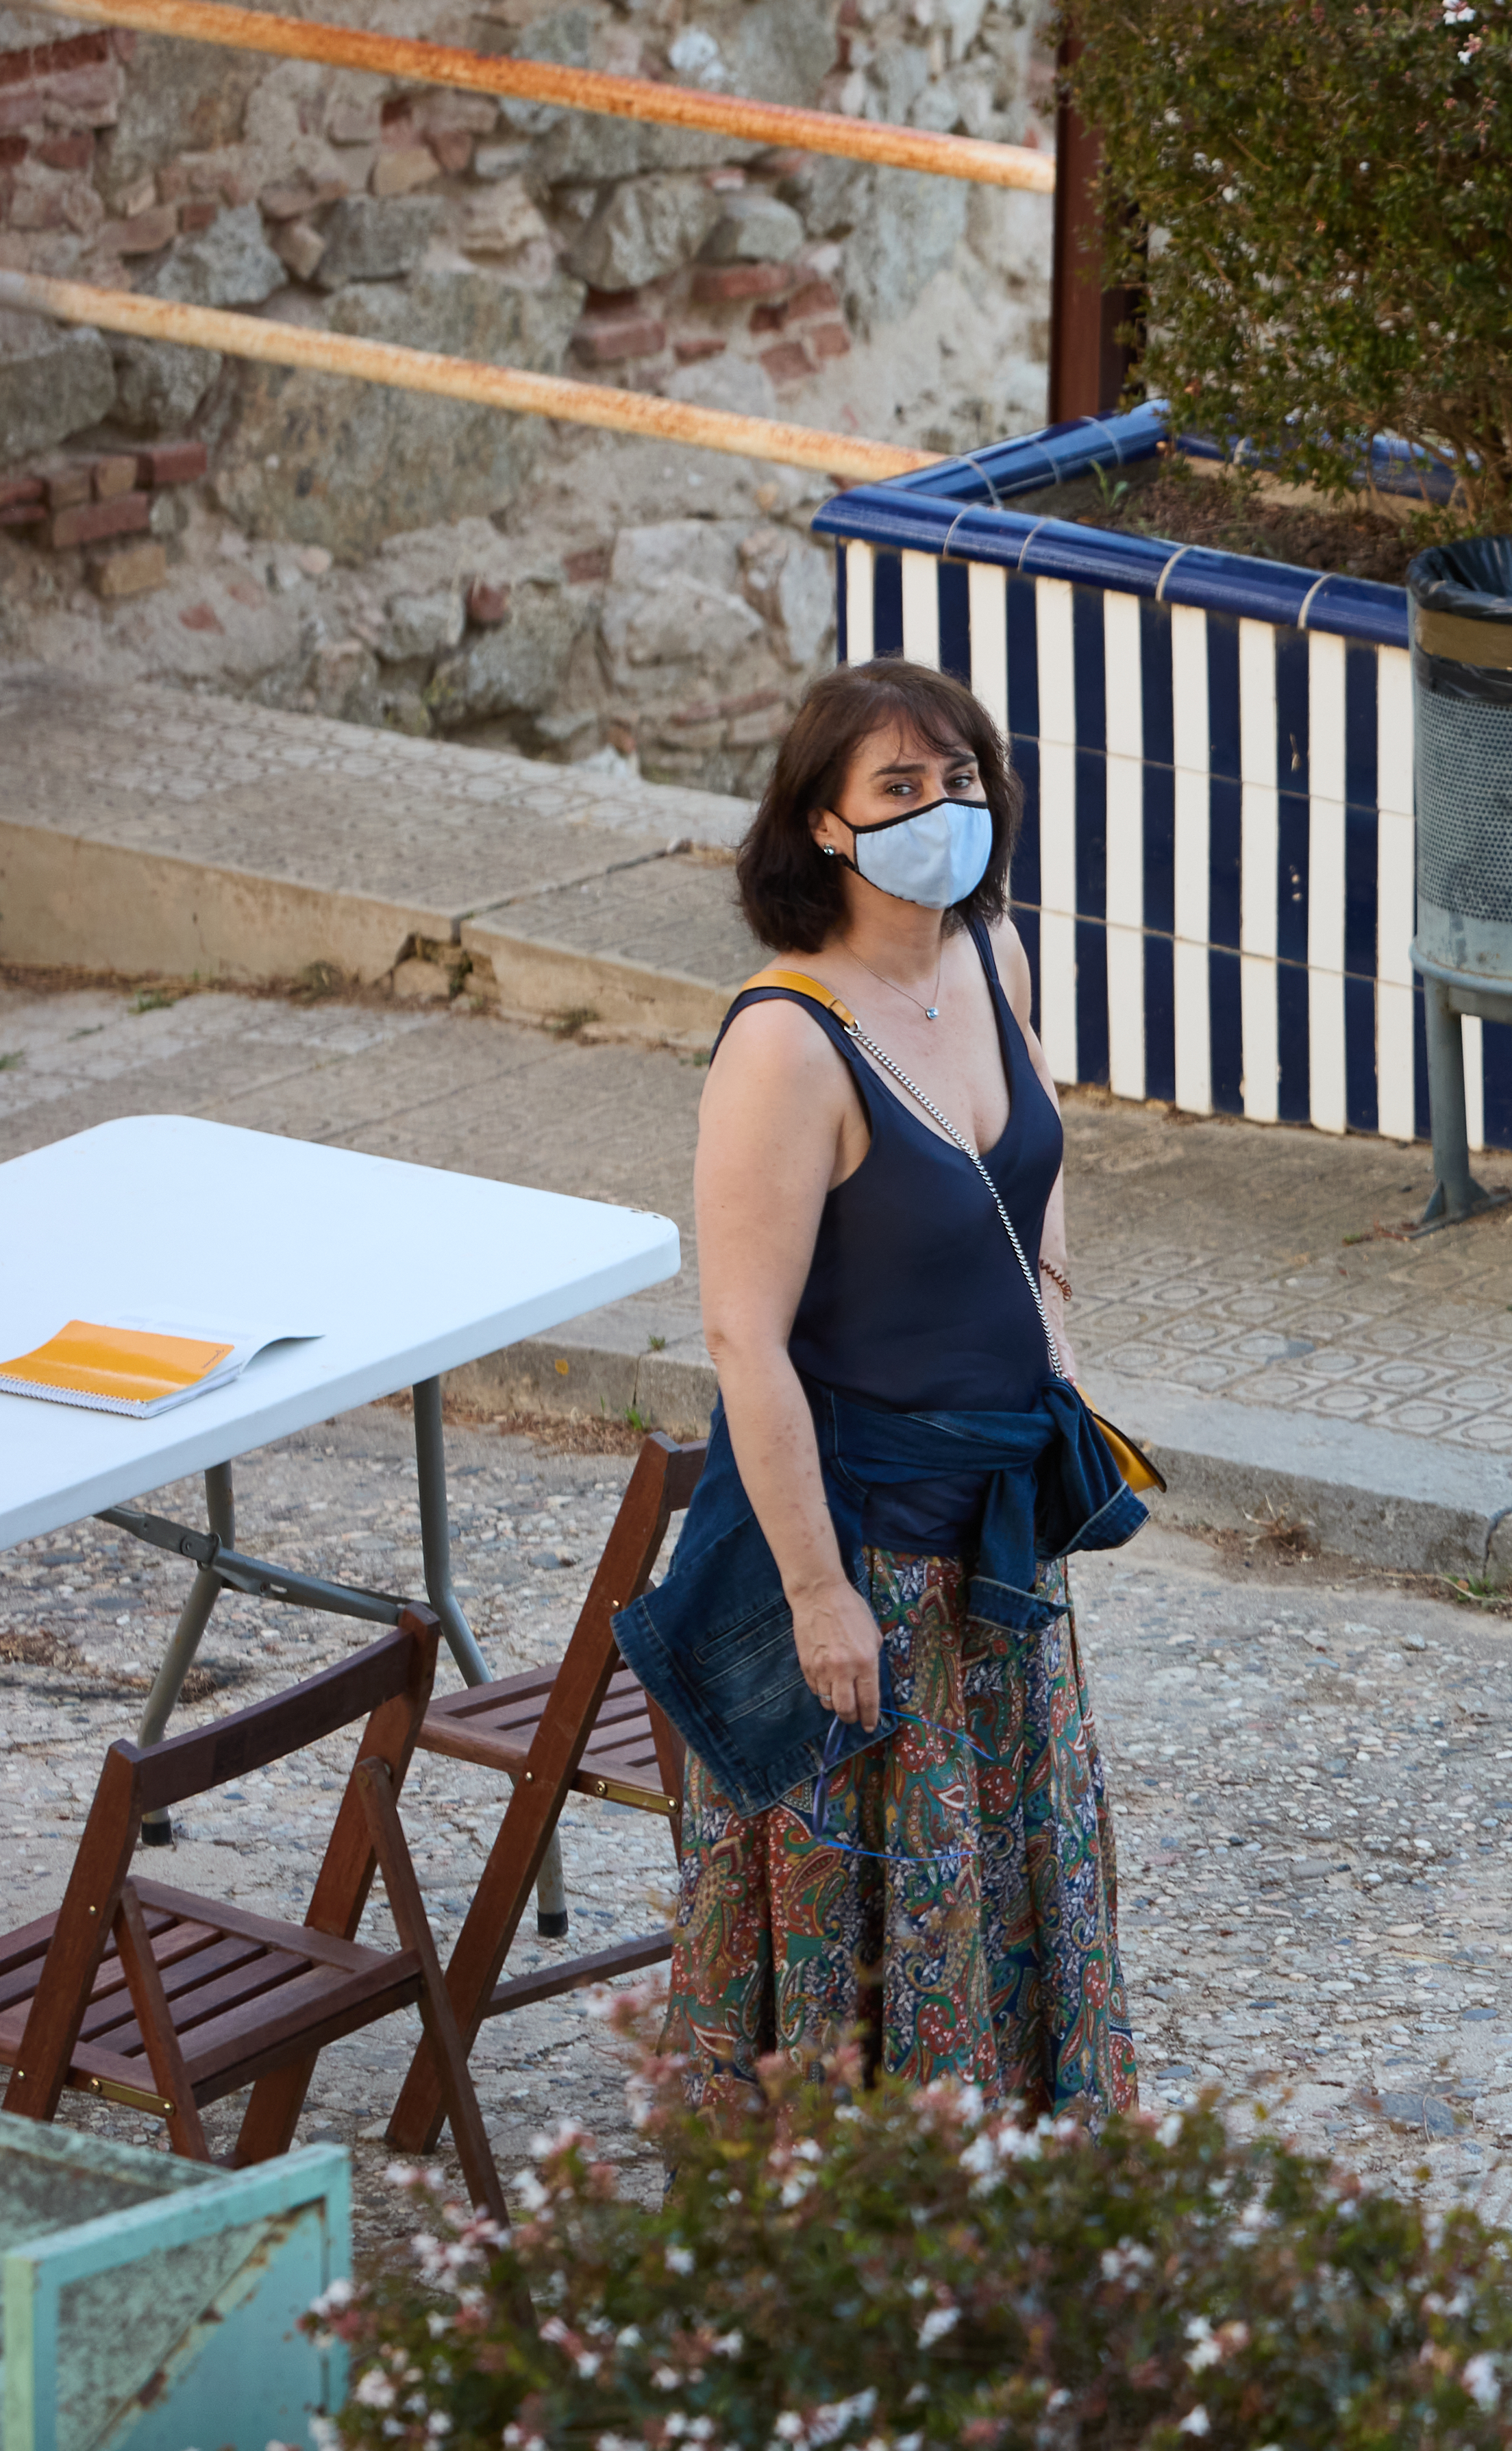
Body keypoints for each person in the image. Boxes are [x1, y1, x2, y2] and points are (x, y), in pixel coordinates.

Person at [649, 656, 1138, 2117]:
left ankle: (1021, 2197)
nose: (943, 809)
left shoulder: (996, 959)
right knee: (868, 1908)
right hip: (865, 1547)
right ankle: (845, 2245)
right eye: (900, 788)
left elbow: (1030, 1167)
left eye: (961, 778)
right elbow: (744, 1337)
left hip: (999, 1530)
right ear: (823, 825)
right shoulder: (787, 1045)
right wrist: (815, 1594)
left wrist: (1051, 1331)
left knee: (1008, 1873)